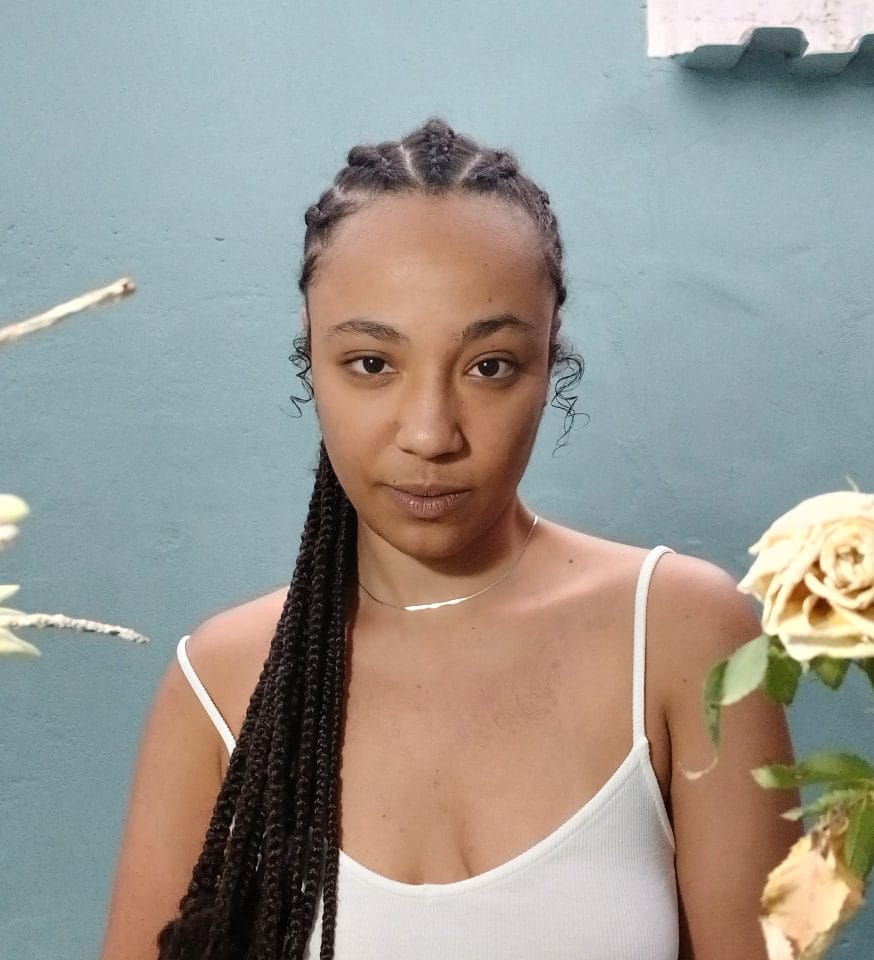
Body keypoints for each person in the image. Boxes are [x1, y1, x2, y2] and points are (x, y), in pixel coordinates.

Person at [99, 117, 800, 960]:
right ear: (312, 363)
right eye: (372, 364)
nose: (430, 434)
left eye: (489, 366)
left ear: (550, 364)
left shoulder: (683, 633)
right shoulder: (218, 688)